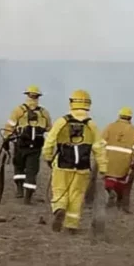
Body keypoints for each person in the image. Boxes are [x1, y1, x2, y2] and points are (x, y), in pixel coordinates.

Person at [42, 89, 108, 233]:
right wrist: (103, 167)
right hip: (82, 168)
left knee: (59, 190)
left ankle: (59, 209)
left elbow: (50, 141)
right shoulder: (92, 125)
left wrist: (47, 157)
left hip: (62, 165)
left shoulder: (62, 121)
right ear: (88, 104)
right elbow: (99, 147)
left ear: (72, 102)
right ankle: (71, 225)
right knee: (77, 195)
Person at [0, 85, 52, 204]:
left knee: (19, 166)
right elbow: (49, 128)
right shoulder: (44, 112)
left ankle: (19, 190)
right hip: (36, 147)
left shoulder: (18, 110)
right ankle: (28, 198)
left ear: (27, 95)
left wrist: (6, 139)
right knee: (32, 171)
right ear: (38, 97)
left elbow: (9, 126)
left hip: (20, 145)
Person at [101, 106, 134, 213]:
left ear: (119, 116)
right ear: (130, 118)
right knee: (123, 182)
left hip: (108, 160)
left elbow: (101, 143)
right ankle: (122, 204)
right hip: (124, 162)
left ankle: (109, 193)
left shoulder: (110, 126)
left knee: (107, 180)